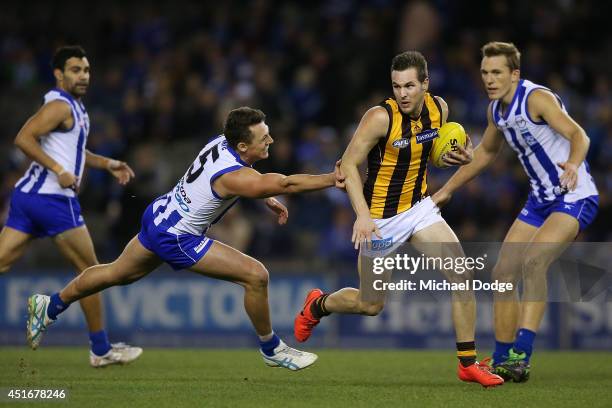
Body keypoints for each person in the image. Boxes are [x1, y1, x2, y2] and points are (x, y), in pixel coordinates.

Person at [27, 106, 345, 371]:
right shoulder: (235, 176)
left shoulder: (222, 141)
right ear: (243, 146)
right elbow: (285, 184)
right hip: (178, 236)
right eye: (264, 138)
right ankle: (271, 348)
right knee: (256, 276)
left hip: (159, 215)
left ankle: (50, 305)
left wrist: (262, 195)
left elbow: (252, 182)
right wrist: (332, 178)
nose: (271, 140)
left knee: (114, 274)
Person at [294, 51, 503, 387]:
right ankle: (318, 305)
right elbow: (347, 166)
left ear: (425, 83)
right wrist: (362, 216)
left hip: (418, 209)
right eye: (396, 86)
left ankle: (467, 363)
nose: (403, 93)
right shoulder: (379, 118)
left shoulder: (441, 110)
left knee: (461, 274)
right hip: (379, 219)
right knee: (370, 304)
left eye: (409, 85)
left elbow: (431, 156)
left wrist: (456, 156)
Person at [432, 42, 598, 382]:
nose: (489, 79)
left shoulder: (536, 99)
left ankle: (522, 354)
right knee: (503, 274)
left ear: (514, 74)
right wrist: (446, 189)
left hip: (574, 195)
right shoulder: (496, 110)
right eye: (485, 72)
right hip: (539, 201)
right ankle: (504, 356)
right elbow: (485, 154)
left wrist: (574, 166)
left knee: (534, 262)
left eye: (497, 72)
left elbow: (578, 135)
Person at [1, 45, 141, 367]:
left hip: (29, 197)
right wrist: (59, 170)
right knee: (93, 274)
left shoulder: (75, 108)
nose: (83, 76)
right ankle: (98, 347)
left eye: (87, 70)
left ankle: (100, 347)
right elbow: (23, 138)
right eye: (76, 70)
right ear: (58, 74)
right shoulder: (61, 105)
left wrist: (107, 163)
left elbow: (74, 153)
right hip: (52, 199)